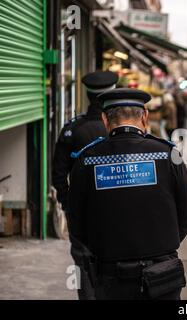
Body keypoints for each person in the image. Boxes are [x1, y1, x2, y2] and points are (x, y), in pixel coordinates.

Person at [68, 88, 187, 300]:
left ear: (105, 120)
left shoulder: (87, 159)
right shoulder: (168, 154)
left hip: (110, 277)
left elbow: (77, 225)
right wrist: (160, 247)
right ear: (144, 116)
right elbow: (185, 215)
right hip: (163, 274)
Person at [52, 70, 118, 300]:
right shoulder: (120, 131)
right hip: (118, 213)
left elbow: (58, 174)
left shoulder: (73, 129)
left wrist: (68, 204)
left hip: (82, 213)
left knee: (84, 270)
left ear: (88, 94)